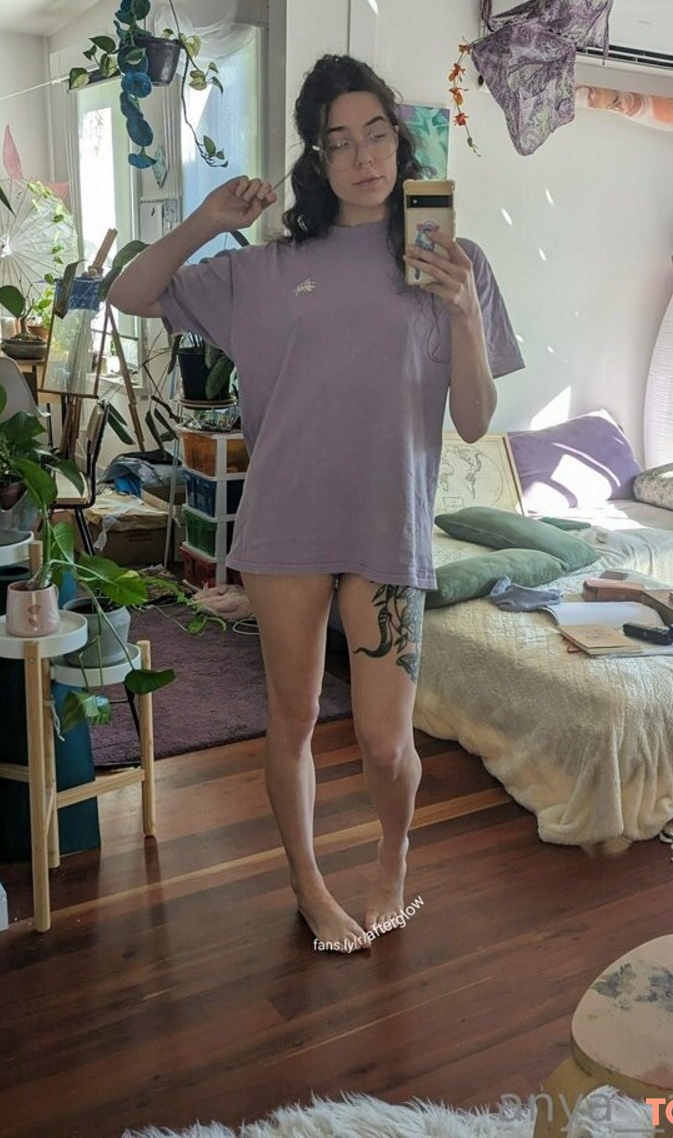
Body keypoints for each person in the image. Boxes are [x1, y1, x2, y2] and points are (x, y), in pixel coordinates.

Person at [109, 53, 524, 953]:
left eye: (377, 134)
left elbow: (473, 418)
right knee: (292, 718)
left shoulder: (455, 265)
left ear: (400, 144)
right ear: (318, 159)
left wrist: (462, 311)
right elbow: (128, 292)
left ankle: (392, 860)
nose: (363, 157)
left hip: (388, 528)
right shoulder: (266, 269)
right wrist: (206, 221)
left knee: (385, 742)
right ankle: (307, 885)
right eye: (339, 142)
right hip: (285, 527)